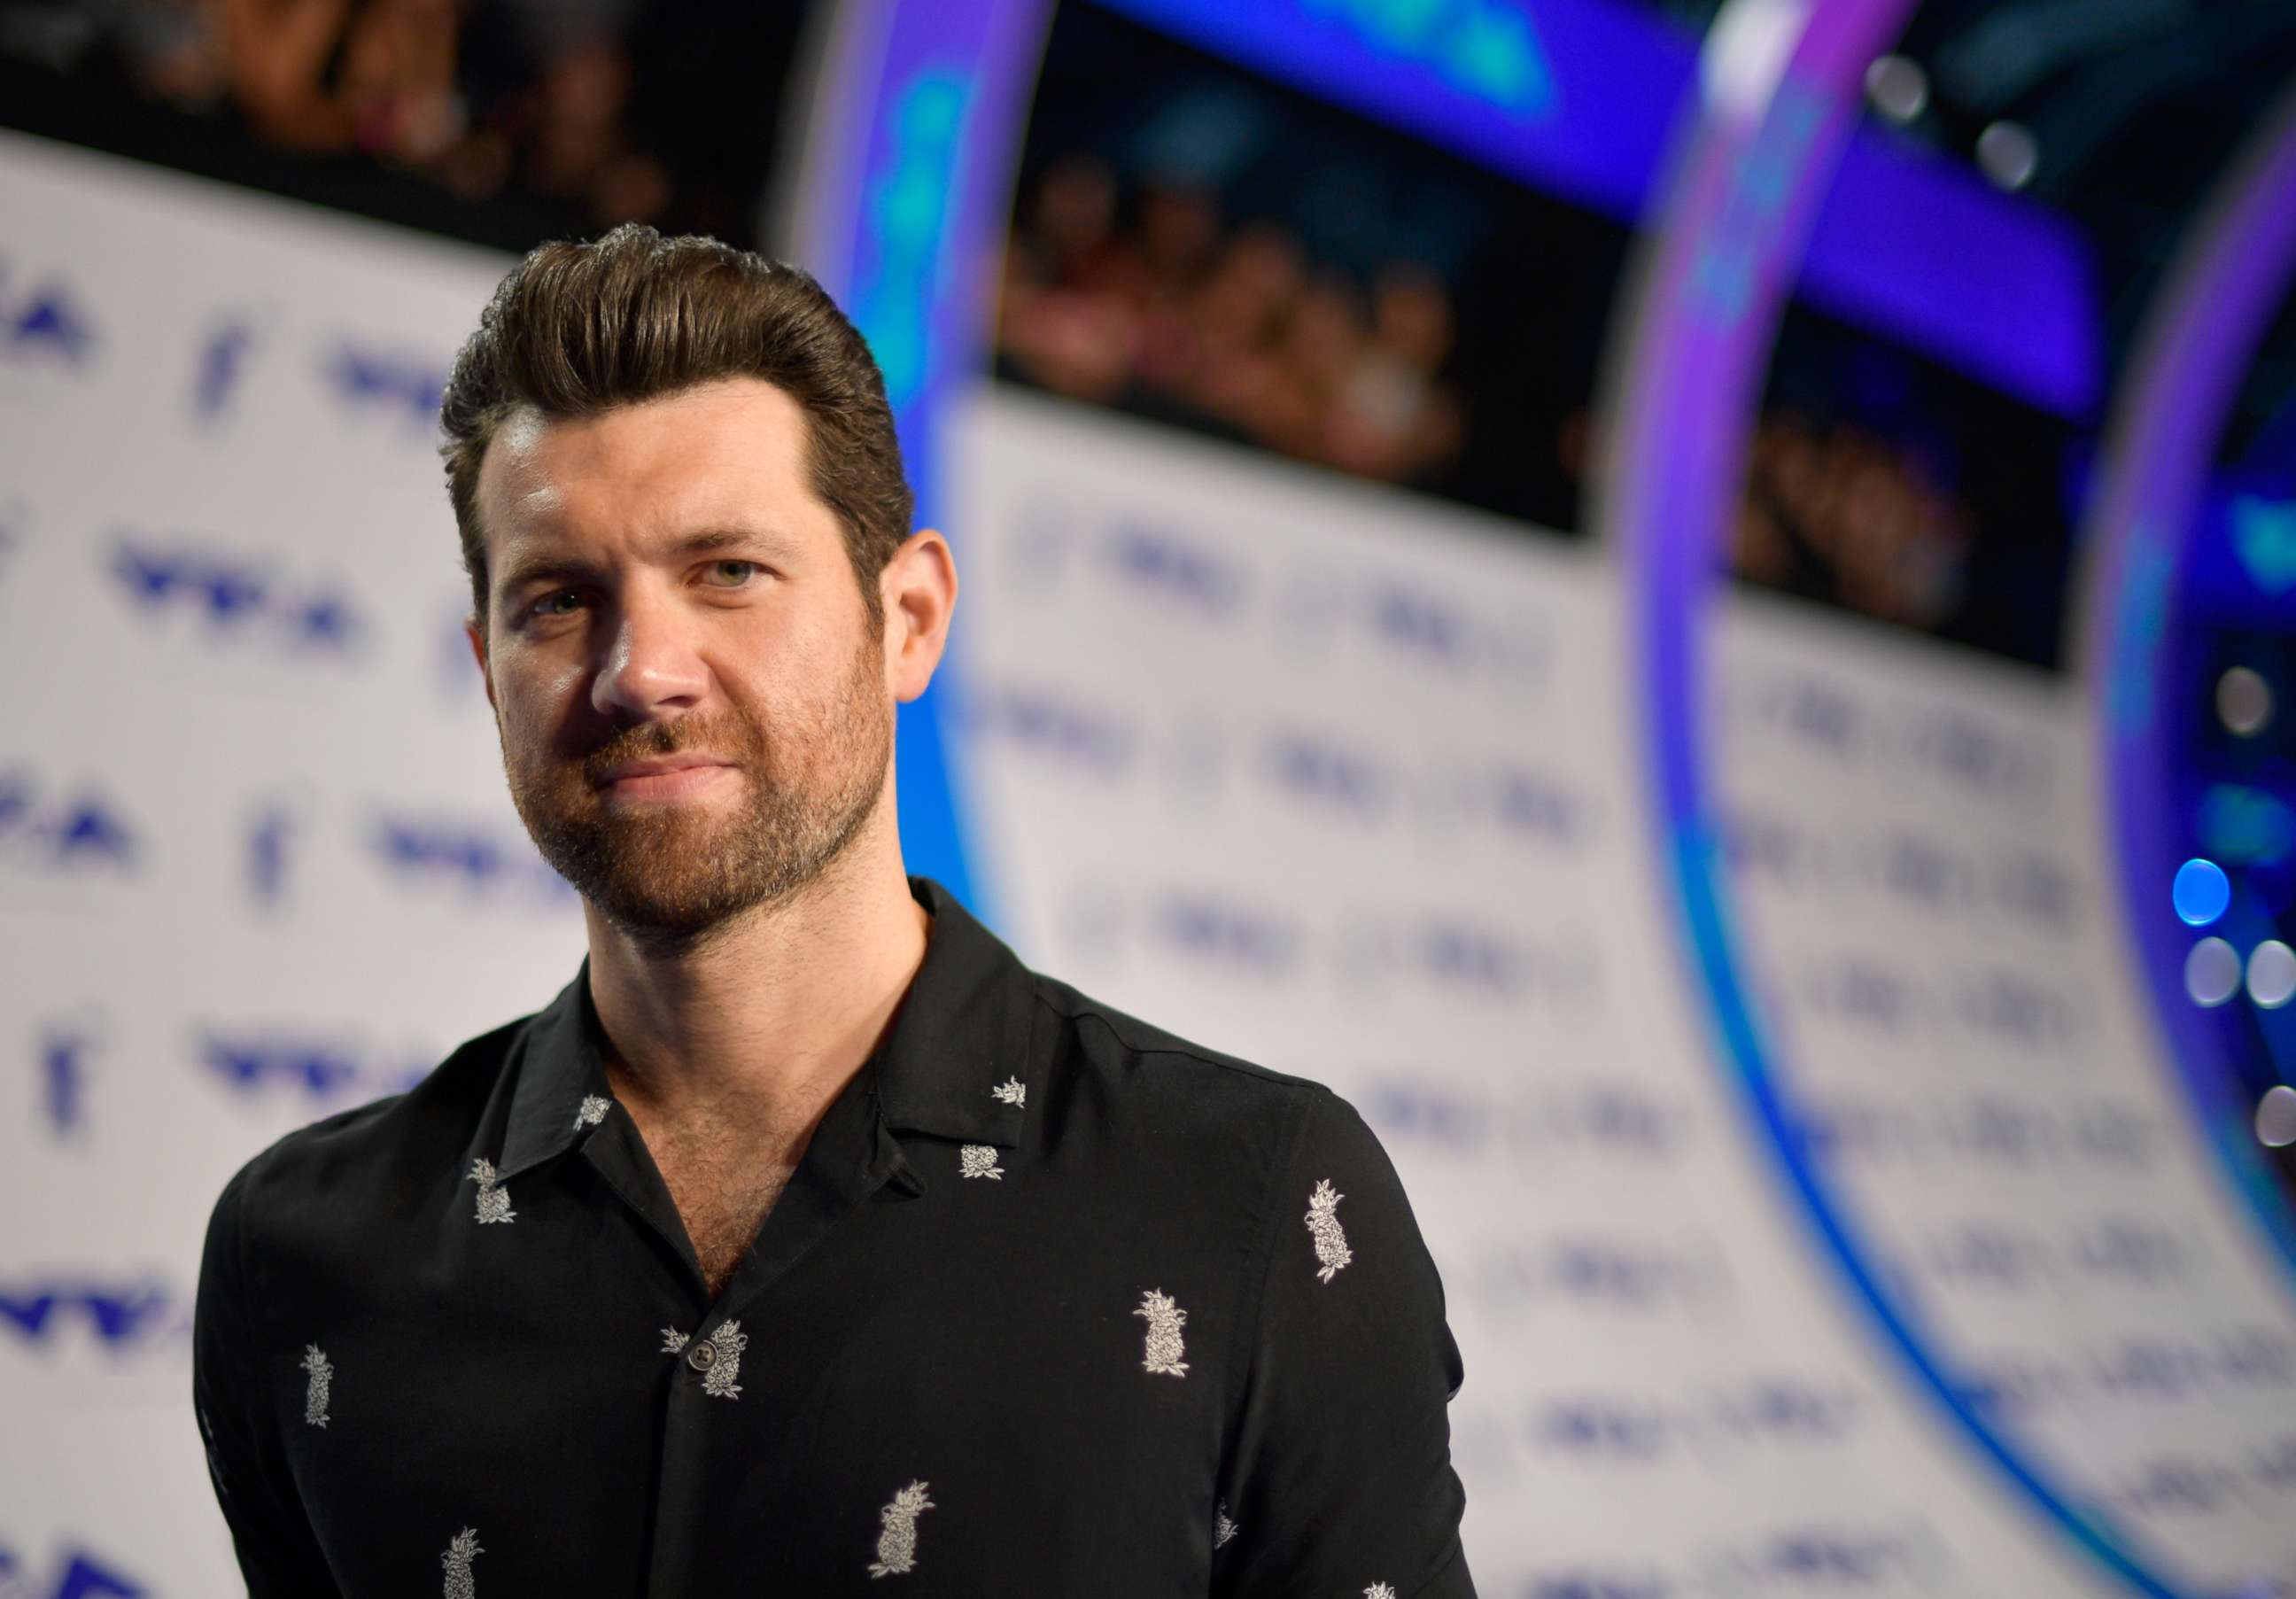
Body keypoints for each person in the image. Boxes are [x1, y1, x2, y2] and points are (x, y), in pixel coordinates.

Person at [191, 222, 1475, 1596]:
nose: (642, 670)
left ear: (907, 617)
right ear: (487, 670)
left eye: (728, 571)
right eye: (559, 600)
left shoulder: (1258, 1207)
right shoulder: (303, 1254)